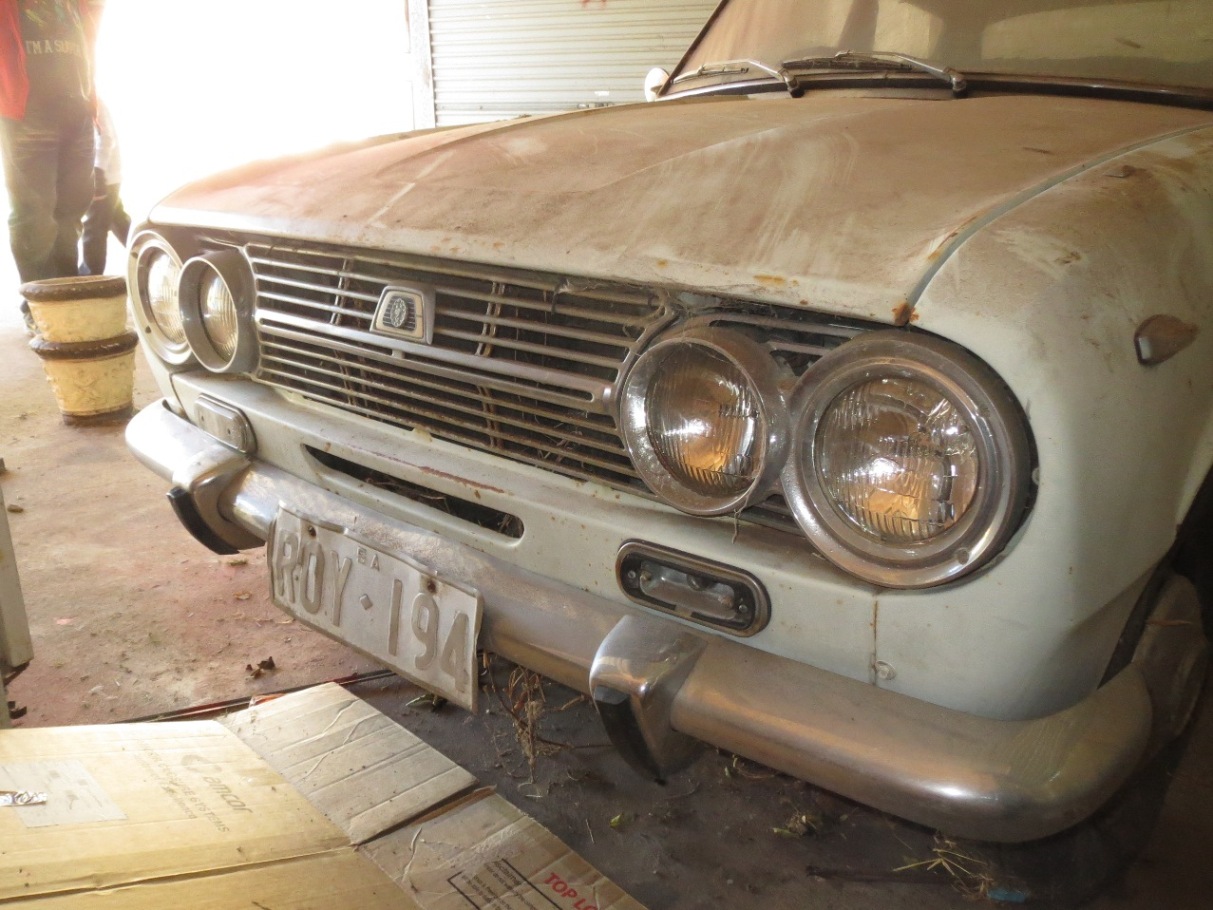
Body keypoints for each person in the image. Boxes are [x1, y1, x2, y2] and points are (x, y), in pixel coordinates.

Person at [0, 0, 99, 327]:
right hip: (27, 111)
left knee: (72, 211)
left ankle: (65, 295)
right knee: (34, 215)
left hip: (78, 109)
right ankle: (40, 307)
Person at [79, 98, 128, 275]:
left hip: (104, 177)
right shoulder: (85, 99)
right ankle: (148, 255)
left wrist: (98, 172)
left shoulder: (92, 101)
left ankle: (90, 276)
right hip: (106, 177)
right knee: (117, 221)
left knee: (94, 229)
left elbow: (105, 137)